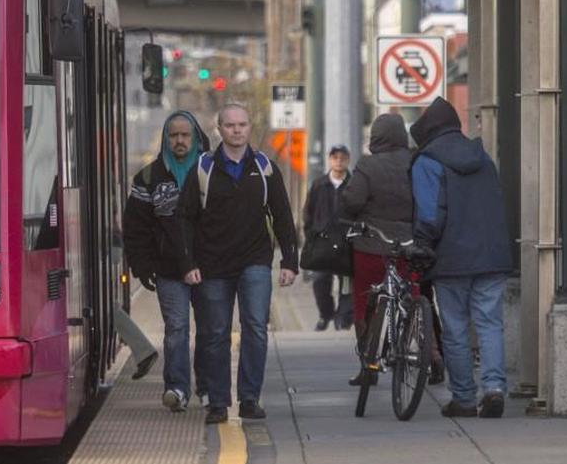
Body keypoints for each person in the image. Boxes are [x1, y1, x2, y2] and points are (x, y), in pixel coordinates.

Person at [179, 103, 298, 423]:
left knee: (256, 328)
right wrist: (188, 262)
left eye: (242, 124)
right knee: (215, 332)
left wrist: (290, 260)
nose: (237, 130)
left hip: (255, 261)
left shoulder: (264, 167)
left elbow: (282, 215)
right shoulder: (202, 168)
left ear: (249, 127)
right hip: (213, 265)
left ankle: (249, 398)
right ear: (219, 129)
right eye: (230, 125)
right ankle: (217, 402)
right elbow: (185, 220)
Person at [410, 97, 512, 419]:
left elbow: (429, 213)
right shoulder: (483, 159)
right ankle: (494, 389)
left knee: (455, 329)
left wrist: (422, 246)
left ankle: (465, 398)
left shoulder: (428, 162)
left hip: (452, 258)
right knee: (490, 324)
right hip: (490, 256)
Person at [338, 114, 445, 386]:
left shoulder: (368, 165)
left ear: (376, 137)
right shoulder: (416, 162)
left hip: (371, 245)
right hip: (409, 245)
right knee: (414, 294)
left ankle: (368, 364)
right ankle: (432, 356)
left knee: (365, 303)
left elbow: (352, 201)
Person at [124, 111, 211, 411]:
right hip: (168, 270)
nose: (179, 141)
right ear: (165, 139)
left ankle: (208, 386)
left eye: (185, 135)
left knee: (211, 328)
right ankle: (177, 388)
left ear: (196, 138)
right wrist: (142, 265)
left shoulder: (212, 171)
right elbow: (135, 228)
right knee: (176, 328)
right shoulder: (148, 177)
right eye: (173, 135)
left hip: (210, 267)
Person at [302, 144, 353, 331]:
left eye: (342, 157)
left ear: (348, 160)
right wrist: (311, 235)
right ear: (330, 160)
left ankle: (343, 318)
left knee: (347, 285)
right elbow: (308, 212)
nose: (339, 161)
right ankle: (326, 314)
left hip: (346, 244)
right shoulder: (319, 185)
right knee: (320, 282)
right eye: (335, 157)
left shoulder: (354, 184)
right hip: (322, 243)